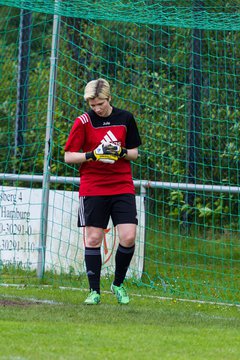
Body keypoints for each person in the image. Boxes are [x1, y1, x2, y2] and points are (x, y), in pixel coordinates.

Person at [64, 78, 142, 305]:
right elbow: (69, 156)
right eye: (92, 104)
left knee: (128, 236)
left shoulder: (125, 118)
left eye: (100, 103)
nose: (96, 108)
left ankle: (118, 284)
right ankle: (94, 291)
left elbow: (134, 153)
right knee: (94, 238)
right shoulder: (83, 121)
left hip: (121, 185)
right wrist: (92, 155)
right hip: (93, 186)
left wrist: (120, 151)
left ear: (109, 99)